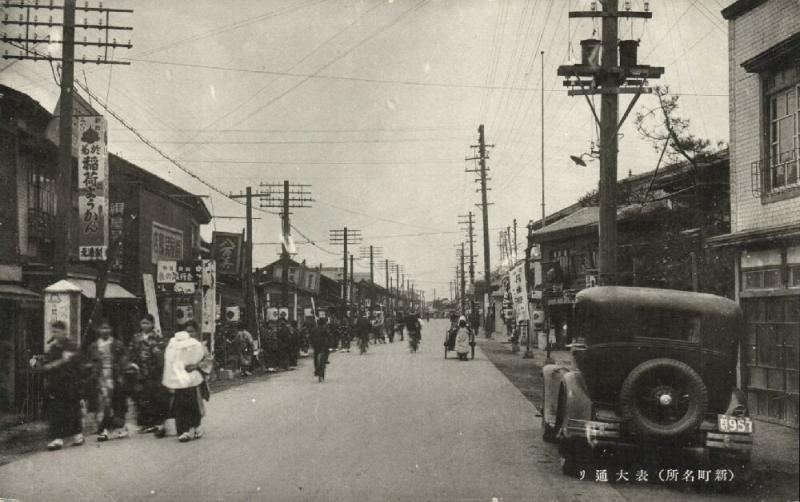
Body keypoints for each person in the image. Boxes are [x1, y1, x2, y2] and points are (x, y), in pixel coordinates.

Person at [162, 321, 212, 442]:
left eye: (191, 331)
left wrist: (197, 366)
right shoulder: (177, 346)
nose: (189, 333)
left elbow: (208, 360)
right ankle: (183, 430)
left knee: (194, 403)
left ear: (196, 332)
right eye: (186, 331)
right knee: (180, 404)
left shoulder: (200, 346)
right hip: (180, 379)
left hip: (195, 379)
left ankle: (196, 426)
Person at [39, 321, 84, 450]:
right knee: (57, 411)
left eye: (57, 331)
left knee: (73, 409)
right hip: (56, 384)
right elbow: (47, 365)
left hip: (71, 384)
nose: (55, 334)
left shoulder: (72, 346)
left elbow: (79, 363)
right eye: (53, 331)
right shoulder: (53, 348)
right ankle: (58, 438)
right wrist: (59, 362)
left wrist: (72, 357)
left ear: (64, 331)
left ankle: (78, 434)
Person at [86, 318, 131, 442]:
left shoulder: (117, 344)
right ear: (98, 330)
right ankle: (103, 430)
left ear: (111, 330)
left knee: (117, 403)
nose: (104, 330)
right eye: (102, 328)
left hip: (114, 376)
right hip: (100, 378)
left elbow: (124, 359)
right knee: (102, 404)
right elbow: (90, 362)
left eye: (107, 328)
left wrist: (121, 372)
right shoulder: (94, 346)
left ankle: (120, 427)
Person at [128, 314, 167, 434]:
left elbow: (161, 353)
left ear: (152, 324)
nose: (145, 325)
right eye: (143, 323)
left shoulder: (157, 337)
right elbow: (131, 352)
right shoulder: (136, 337)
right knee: (141, 397)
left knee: (154, 396)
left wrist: (157, 366)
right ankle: (144, 423)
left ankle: (155, 422)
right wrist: (133, 364)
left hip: (153, 371)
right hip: (139, 371)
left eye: (147, 323)